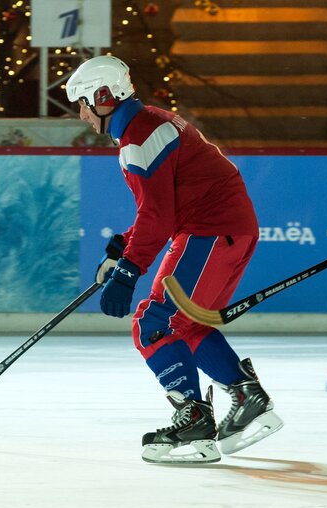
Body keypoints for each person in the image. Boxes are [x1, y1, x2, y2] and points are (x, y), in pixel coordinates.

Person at [65, 55, 283, 464]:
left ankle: (195, 424)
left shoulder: (139, 135)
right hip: (223, 227)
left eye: (82, 103)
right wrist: (122, 248)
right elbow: (163, 205)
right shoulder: (145, 123)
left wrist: (129, 270)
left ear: (103, 97)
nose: (81, 115)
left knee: (154, 322)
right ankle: (245, 397)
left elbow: (159, 215)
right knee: (187, 323)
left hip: (209, 230)